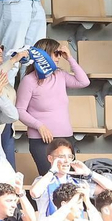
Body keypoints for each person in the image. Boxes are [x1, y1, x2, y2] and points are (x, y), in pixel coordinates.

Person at [16, 39, 91, 175]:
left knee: (69, 181)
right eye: (56, 53)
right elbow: (19, 110)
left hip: (66, 137)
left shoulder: (60, 75)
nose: (59, 57)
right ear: (44, 55)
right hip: (41, 140)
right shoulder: (29, 80)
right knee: (50, 180)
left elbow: (84, 82)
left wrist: (70, 58)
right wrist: (39, 126)